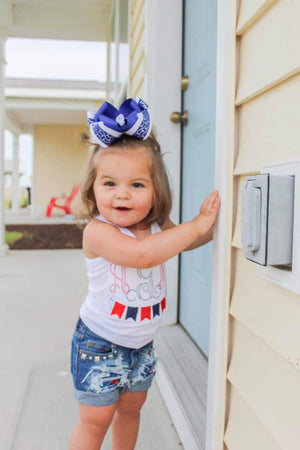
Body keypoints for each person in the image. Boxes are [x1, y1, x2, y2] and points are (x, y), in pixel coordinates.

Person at [69, 97, 221, 450]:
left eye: (137, 185)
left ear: (156, 192)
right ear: (93, 187)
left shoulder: (157, 226)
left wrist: (211, 227)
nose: (122, 194)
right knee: (95, 421)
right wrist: (195, 225)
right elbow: (143, 257)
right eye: (110, 184)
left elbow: (179, 243)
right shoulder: (98, 231)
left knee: (132, 410)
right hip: (100, 344)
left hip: (142, 343)